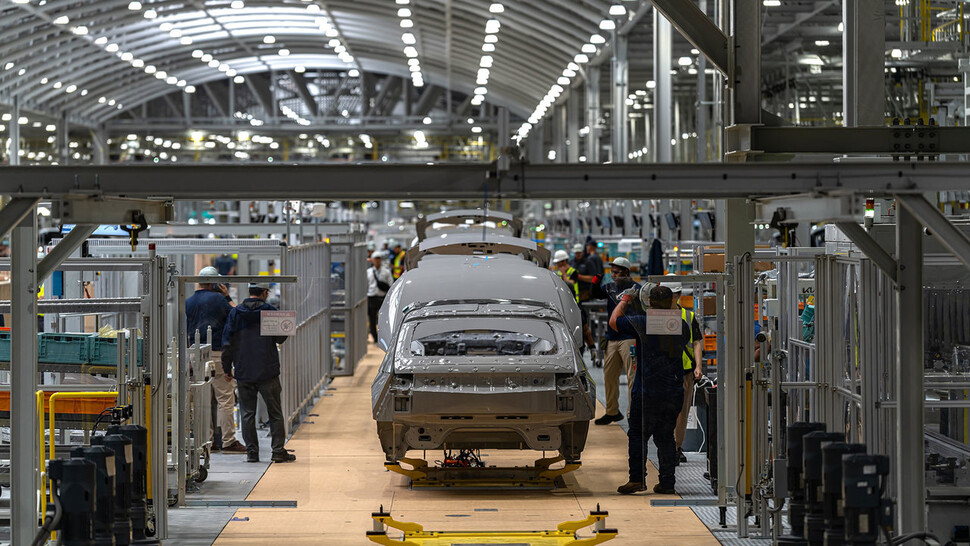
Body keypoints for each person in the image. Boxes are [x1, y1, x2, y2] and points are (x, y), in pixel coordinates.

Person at [610, 285, 689, 495]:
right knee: (665, 437)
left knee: (637, 434)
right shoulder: (681, 324)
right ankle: (667, 482)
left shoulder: (642, 322)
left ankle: (637, 479)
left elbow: (614, 321)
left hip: (647, 391)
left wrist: (626, 299)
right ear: (672, 302)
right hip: (672, 390)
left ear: (650, 302)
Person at [221, 282, 294, 463]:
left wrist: (226, 367)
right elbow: (280, 338)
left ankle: (252, 453)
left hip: (244, 370)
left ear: (249, 292)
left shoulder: (235, 313)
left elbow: (227, 342)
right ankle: (277, 450)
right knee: (275, 412)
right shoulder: (270, 312)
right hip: (267, 369)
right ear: (264, 293)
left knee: (247, 413)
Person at [186, 266, 246, 453]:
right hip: (217, 354)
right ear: (215, 283)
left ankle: (207, 442)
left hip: (195, 353)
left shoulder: (188, 302)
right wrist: (227, 296)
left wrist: (188, 358)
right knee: (225, 399)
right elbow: (239, 315)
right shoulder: (219, 299)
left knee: (202, 400)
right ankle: (228, 441)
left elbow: (184, 332)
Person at [594, 257, 639, 425]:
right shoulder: (610, 288)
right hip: (612, 338)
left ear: (626, 272)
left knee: (632, 377)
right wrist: (595, 281)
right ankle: (612, 411)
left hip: (629, 338)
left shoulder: (636, 289)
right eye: (611, 272)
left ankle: (632, 413)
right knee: (609, 376)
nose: (613, 276)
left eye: (616, 272)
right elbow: (596, 294)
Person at [665, 280, 704, 464]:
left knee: (682, 412)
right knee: (665, 412)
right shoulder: (656, 316)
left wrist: (698, 366)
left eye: (673, 294)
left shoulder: (688, 316)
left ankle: (676, 448)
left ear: (678, 295)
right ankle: (665, 446)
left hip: (685, 371)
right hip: (663, 372)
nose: (671, 298)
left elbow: (696, 342)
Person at [366, 254, 393, 344]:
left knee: (384, 319)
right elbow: (365, 285)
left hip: (383, 298)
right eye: (375, 259)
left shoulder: (386, 272)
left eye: (378, 259)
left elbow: (391, 284)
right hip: (372, 297)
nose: (377, 261)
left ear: (380, 260)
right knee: (372, 319)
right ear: (372, 260)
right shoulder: (368, 272)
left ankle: (384, 338)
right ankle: (375, 338)